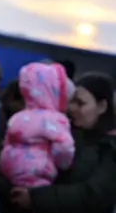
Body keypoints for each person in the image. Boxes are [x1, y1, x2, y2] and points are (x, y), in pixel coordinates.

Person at [11, 72, 116, 213]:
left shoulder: (110, 147)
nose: (71, 108)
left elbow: (93, 195)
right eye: (71, 101)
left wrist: (36, 199)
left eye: (80, 103)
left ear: (102, 107)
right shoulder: (61, 132)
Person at [0, 62, 75, 188]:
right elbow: (64, 147)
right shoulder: (57, 120)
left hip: (8, 169)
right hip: (39, 173)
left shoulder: (18, 116)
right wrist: (63, 164)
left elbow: (7, 142)